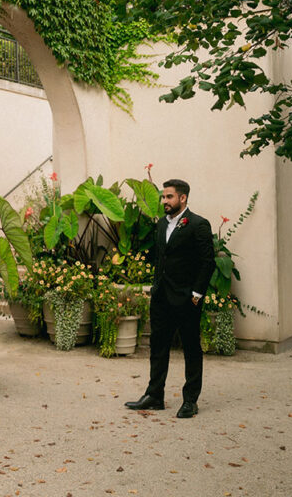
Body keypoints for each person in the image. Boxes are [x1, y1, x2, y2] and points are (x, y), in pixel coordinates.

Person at [124, 179, 216, 419]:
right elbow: (160, 260)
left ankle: (190, 401)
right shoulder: (160, 225)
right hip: (162, 298)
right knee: (158, 347)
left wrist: (196, 295)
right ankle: (154, 395)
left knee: (191, 349)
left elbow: (207, 262)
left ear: (182, 198)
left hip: (187, 299)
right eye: (163, 197)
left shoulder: (198, 225)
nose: (164, 201)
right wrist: (155, 288)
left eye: (169, 197)